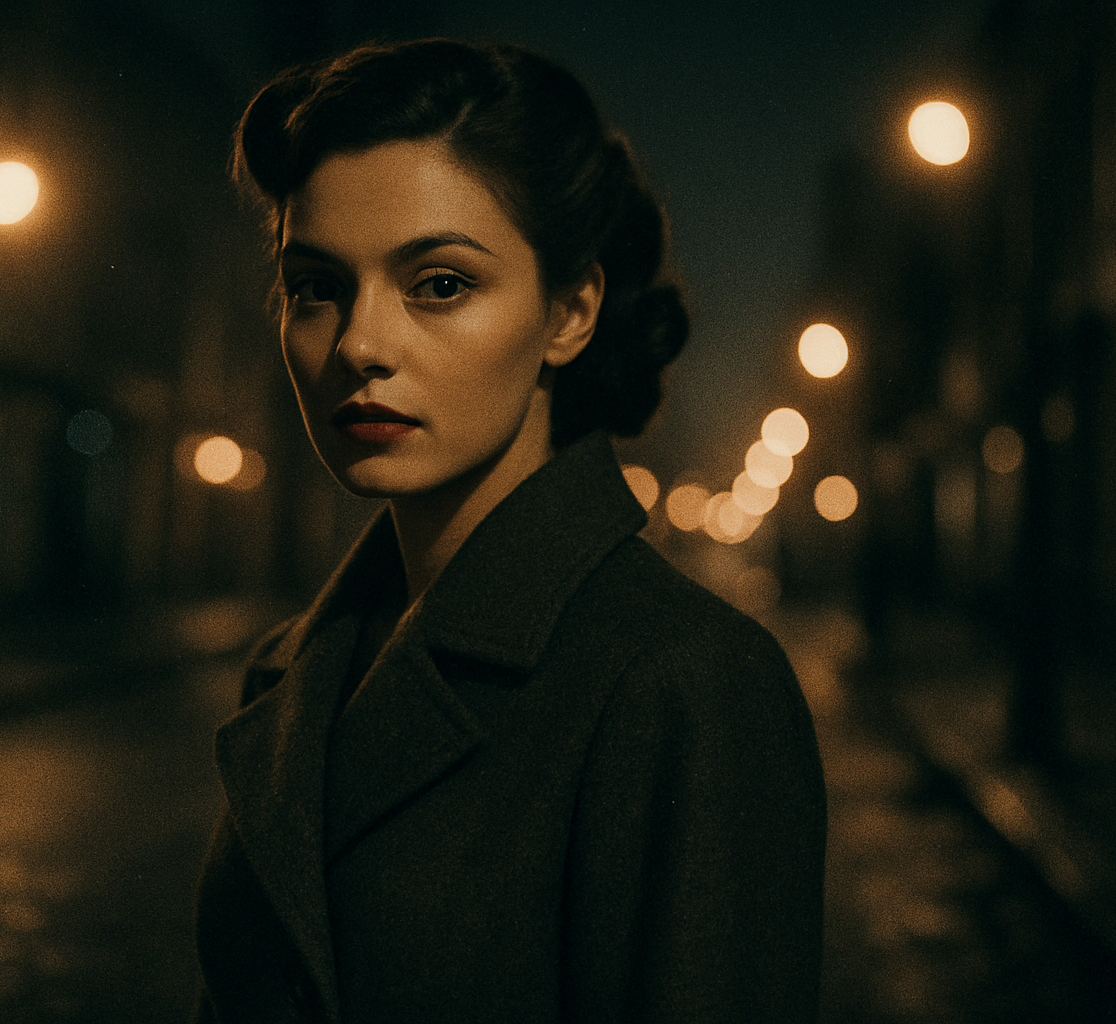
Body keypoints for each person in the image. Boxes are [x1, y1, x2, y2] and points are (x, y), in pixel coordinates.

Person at [194, 38, 826, 1024]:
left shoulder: (684, 682)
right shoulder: (297, 665)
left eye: (439, 283)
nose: (359, 342)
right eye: (317, 285)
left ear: (571, 308)